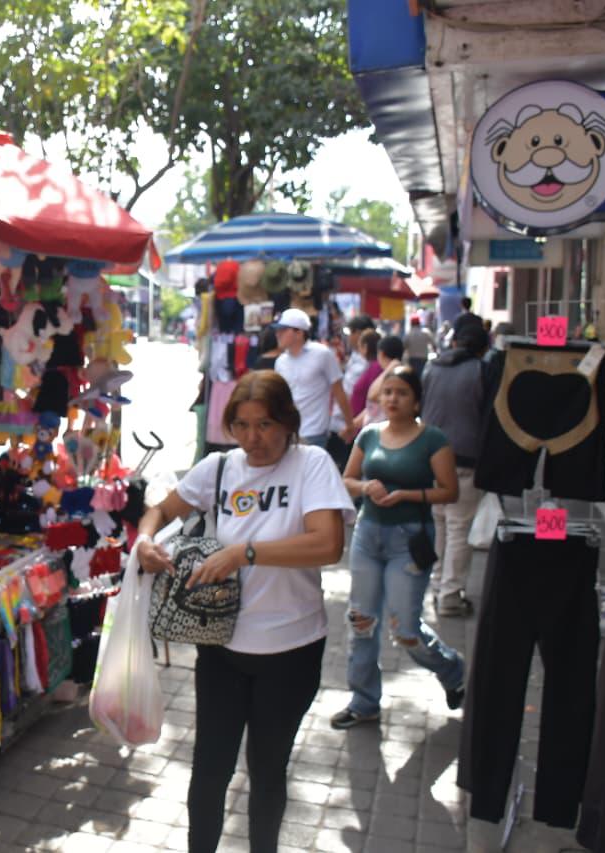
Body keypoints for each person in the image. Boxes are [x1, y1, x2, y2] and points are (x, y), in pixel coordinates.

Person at [136, 370, 352, 853]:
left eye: (266, 425)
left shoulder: (312, 463)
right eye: (242, 425)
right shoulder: (218, 468)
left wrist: (244, 552)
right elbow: (160, 510)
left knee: (268, 770)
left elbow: (328, 544)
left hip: (291, 649)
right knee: (209, 769)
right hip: (222, 647)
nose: (254, 439)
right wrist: (146, 540)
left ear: (289, 423)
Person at [332, 365, 466, 729]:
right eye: (388, 392)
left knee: (405, 630)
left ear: (416, 400)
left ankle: (452, 671)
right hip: (367, 535)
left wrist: (407, 493)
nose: (392, 399)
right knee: (361, 621)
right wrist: (365, 488)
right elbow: (346, 479)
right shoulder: (369, 435)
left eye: (401, 393)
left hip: (409, 540)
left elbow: (449, 491)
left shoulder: (432, 439)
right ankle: (364, 702)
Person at [422, 323, 489, 616]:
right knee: (458, 527)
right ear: (481, 347)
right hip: (465, 458)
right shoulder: (482, 371)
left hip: (430, 457)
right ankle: (449, 595)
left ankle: (437, 585)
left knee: (439, 524)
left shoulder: (432, 368)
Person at [273, 308, 355, 448]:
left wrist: (350, 425)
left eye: (283, 330)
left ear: (299, 332)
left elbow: (339, 392)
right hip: (287, 432)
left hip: (315, 433)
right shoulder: (280, 362)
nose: (277, 334)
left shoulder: (322, 354)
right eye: (277, 330)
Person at [362, 335, 405, 425]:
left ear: (381, 354)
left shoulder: (394, 372)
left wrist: (393, 364)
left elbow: (372, 395)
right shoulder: (391, 372)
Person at [348, 329, 382, 428]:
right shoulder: (372, 367)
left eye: (359, 347)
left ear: (365, 347)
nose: (358, 351)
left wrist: (354, 424)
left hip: (365, 425)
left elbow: (374, 402)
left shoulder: (376, 368)